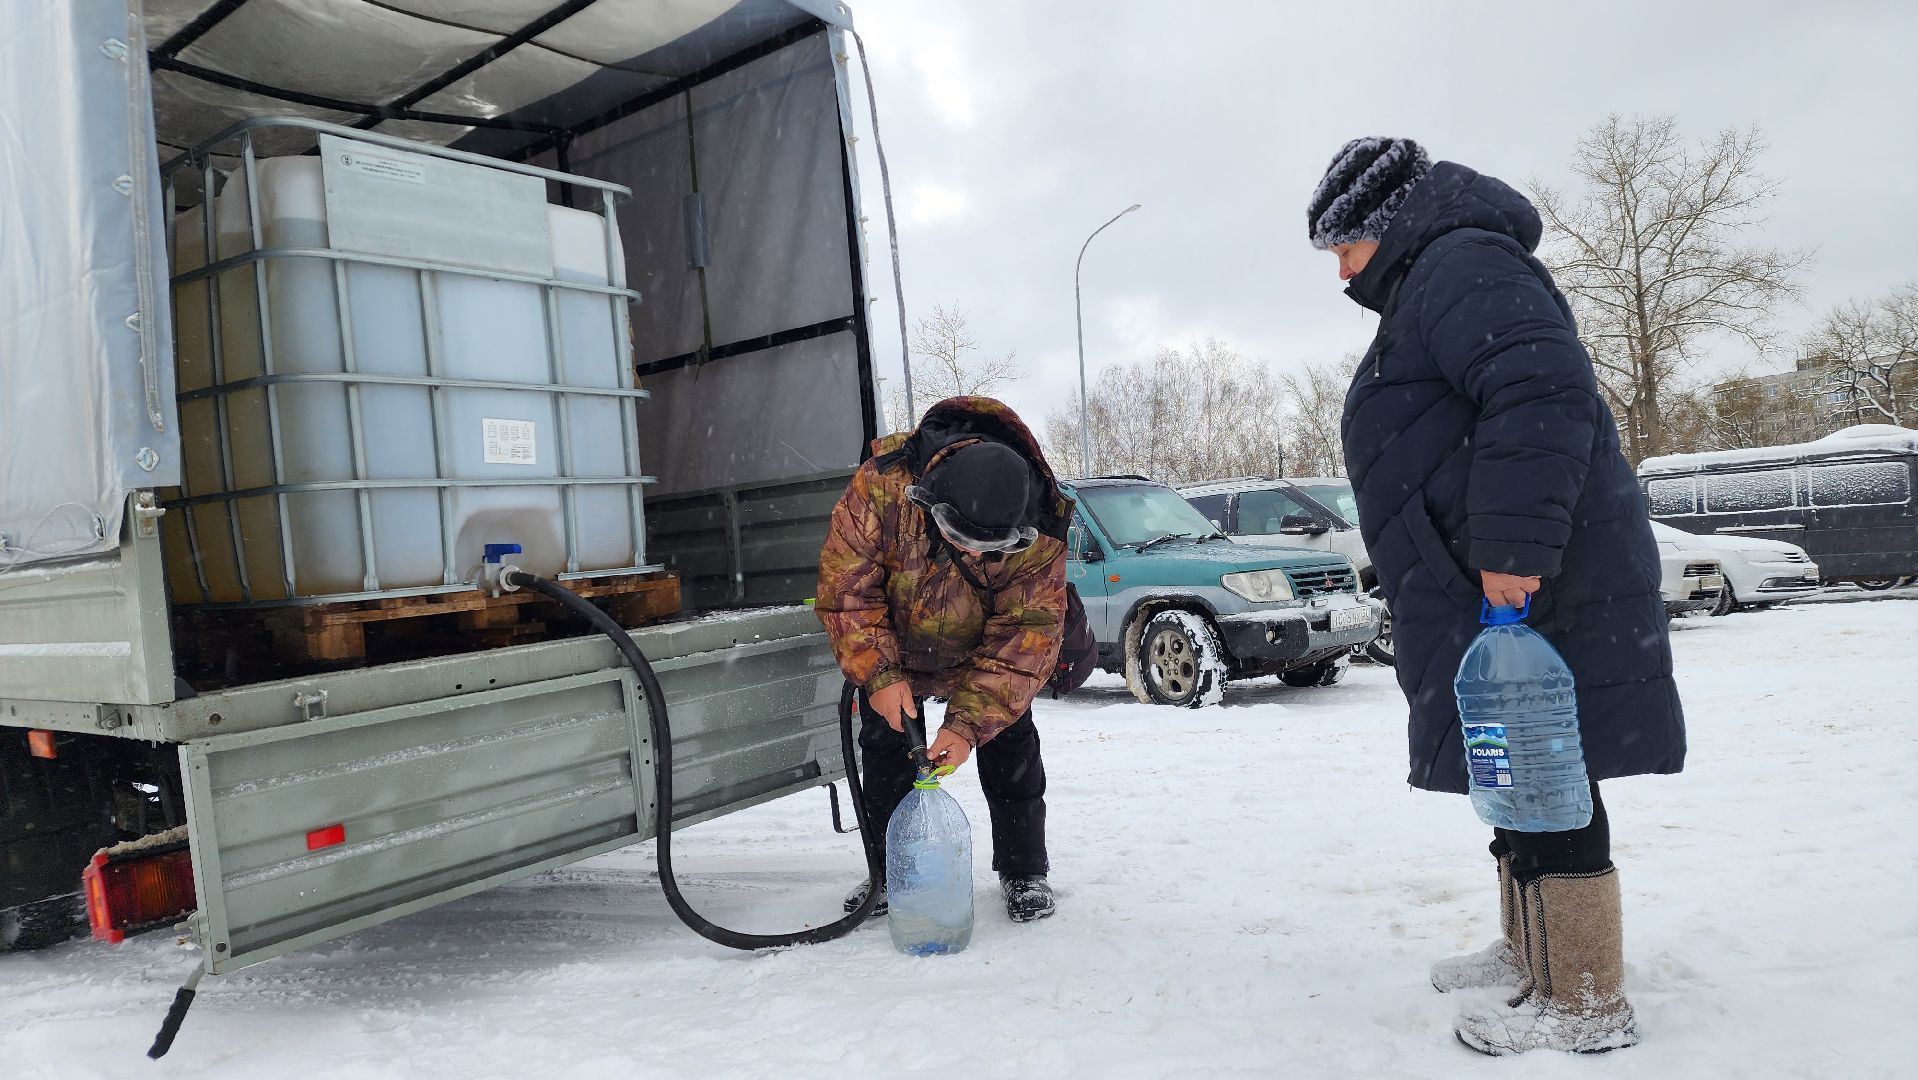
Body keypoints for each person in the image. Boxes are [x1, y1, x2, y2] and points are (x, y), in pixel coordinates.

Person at [1306, 137, 1686, 1055]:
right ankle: (1532, 955)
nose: (1342, 272)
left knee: (1555, 770)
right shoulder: (1440, 274)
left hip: (1534, 580)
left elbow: (1540, 388)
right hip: (1494, 583)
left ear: (1383, 225)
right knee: (1517, 763)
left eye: (1344, 248)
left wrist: (1514, 548)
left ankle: (1586, 997)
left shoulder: (1461, 262)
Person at [815, 396, 1072, 923]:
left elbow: (1029, 632)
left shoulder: (1041, 522)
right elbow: (848, 594)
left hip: (983, 651)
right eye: (964, 540)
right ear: (929, 502)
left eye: (991, 546)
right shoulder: (880, 488)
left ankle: (1025, 870)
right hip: (896, 649)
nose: (976, 555)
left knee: (1012, 754)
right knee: (886, 755)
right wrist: (879, 675)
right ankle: (889, 872)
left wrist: (968, 725)